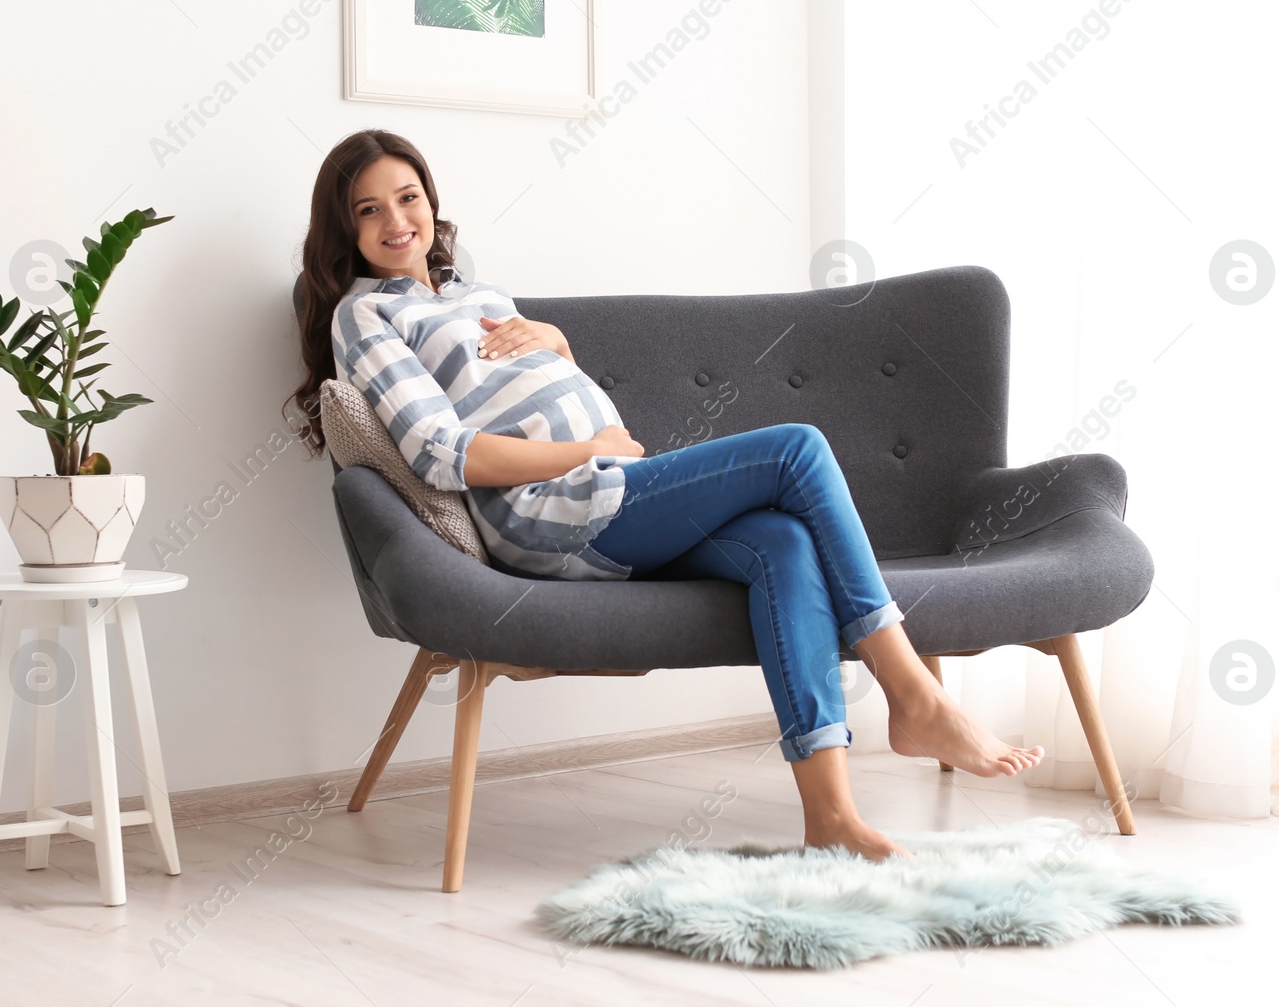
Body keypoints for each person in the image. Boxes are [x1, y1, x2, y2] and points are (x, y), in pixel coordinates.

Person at [286, 128, 1043, 862]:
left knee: (782, 541)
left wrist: (559, 344)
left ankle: (832, 817)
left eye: (407, 197)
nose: (396, 220)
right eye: (368, 209)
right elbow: (443, 452)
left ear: (432, 202)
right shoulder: (368, 314)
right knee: (797, 448)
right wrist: (587, 449)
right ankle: (915, 695)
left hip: (608, 491)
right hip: (551, 513)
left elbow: (557, 392)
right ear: (343, 230)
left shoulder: (479, 294)